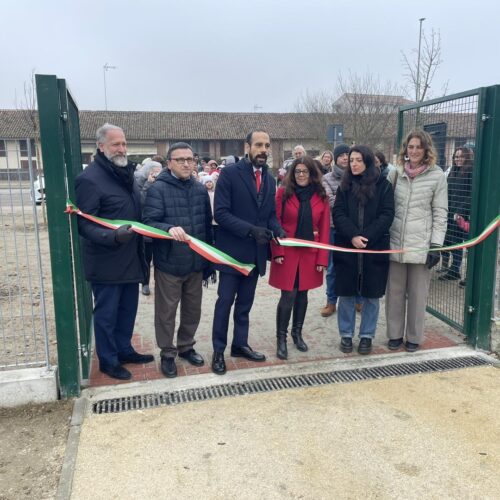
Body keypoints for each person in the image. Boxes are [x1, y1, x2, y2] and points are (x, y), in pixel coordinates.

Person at [75, 123, 153, 381]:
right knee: (107, 314)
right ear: (101, 147)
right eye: (115, 144)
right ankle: (108, 361)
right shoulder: (89, 179)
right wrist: (112, 237)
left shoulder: (125, 173)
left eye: (123, 144)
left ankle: (124, 349)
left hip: (131, 258)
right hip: (106, 261)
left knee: (127, 310)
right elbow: (84, 224)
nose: (122, 149)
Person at [211, 130, 286, 375]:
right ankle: (218, 351)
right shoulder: (229, 174)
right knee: (225, 303)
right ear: (247, 147)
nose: (264, 150)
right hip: (232, 254)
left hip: (255, 254)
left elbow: (269, 216)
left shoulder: (270, 179)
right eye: (259, 145)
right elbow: (220, 214)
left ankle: (240, 344)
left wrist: (278, 231)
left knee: (245, 304)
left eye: (267, 145)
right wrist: (251, 230)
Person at [143, 142, 213, 378]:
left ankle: (186, 346)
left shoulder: (200, 189)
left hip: (195, 263)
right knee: (166, 313)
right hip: (169, 264)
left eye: (190, 159)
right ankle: (167, 353)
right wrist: (168, 227)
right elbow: (149, 223)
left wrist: (209, 261)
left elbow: (206, 226)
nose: (186, 163)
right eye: (180, 159)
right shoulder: (158, 189)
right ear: (169, 163)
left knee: (193, 310)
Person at [386, 130, 448, 352]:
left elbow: (440, 213)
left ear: (426, 150)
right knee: (394, 293)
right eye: (410, 147)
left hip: (422, 245)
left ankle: (414, 336)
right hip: (396, 242)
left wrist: (436, 245)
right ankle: (394, 334)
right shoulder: (395, 173)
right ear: (405, 149)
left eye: (418, 147)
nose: (414, 151)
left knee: (418, 295)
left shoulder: (437, 176)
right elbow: (385, 205)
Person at [333, 146, 394, 355]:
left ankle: (367, 336)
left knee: (371, 295)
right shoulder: (344, 186)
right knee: (346, 294)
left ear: (367, 162)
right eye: (351, 160)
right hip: (347, 247)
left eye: (358, 160)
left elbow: (387, 215)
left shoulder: (384, 186)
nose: (354, 164)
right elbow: (338, 213)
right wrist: (352, 236)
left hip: (374, 247)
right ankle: (346, 335)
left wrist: (367, 237)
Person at [269, 156, 330, 359]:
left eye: (305, 171)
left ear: (312, 174)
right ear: (292, 174)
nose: (301, 175)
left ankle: (297, 334)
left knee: (302, 295)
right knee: (288, 295)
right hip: (287, 252)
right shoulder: (282, 194)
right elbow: (275, 223)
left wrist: (322, 259)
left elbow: (324, 230)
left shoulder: (321, 196)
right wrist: (277, 251)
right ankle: (281, 338)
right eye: (297, 171)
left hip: (309, 254)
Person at [319, 143, 350, 317]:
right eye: (341, 155)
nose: (345, 158)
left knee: (354, 266)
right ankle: (331, 301)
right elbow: (331, 202)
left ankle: (358, 300)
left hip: (353, 230)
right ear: (335, 158)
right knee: (332, 268)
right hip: (333, 228)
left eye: (348, 154)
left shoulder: (358, 176)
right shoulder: (327, 178)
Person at [438, 147, 474, 282]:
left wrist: (461, 211)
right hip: (452, 214)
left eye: (461, 156)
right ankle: (454, 271)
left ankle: (470, 276)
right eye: (456, 157)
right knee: (455, 243)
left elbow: (472, 194)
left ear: (467, 158)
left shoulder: (471, 171)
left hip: (466, 215)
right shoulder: (453, 171)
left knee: (471, 245)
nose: (458, 159)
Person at [137, 160, 163, 296]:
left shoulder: (162, 184)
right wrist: (148, 184)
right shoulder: (139, 183)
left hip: (159, 228)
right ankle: (145, 283)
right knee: (146, 258)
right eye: (154, 171)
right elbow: (141, 203)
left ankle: (159, 284)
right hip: (145, 228)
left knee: (161, 259)